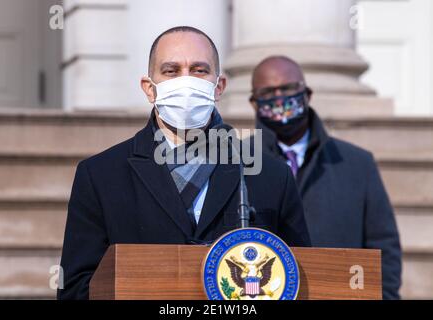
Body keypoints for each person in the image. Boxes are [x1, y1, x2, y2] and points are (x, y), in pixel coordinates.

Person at [57, 27, 311, 300]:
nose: (186, 81)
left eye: (199, 70)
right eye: (171, 70)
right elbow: (76, 287)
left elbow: (301, 276)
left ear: (219, 86)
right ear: (149, 88)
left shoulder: (270, 175)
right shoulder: (100, 176)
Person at [248, 56, 402, 299]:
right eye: (268, 92)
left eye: (287, 89)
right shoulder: (238, 164)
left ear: (307, 94)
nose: (279, 98)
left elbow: (384, 247)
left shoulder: (357, 164)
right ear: (254, 103)